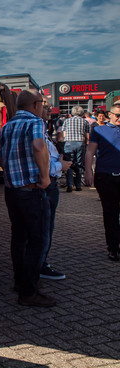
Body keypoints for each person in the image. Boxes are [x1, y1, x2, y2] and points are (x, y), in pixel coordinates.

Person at [0, 89, 54, 307]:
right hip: (31, 190)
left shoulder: (7, 126)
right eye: (42, 103)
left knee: (19, 237)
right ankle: (29, 291)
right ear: (34, 104)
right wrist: (45, 177)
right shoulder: (35, 122)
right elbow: (39, 146)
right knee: (39, 240)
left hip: (12, 191)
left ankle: (19, 281)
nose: (43, 107)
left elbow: (2, 157)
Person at [40, 97, 72, 280]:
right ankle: (40, 265)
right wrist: (61, 166)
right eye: (45, 106)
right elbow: (39, 163)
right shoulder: (36, 127)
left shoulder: (43, 126)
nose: (48, 109)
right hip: (45, 184)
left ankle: (36, 263)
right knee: (44, 228)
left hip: (45, 183)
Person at [84, 103, 120, 261]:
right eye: (117, 115)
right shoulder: (99, 130)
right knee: (110, 213)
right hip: (106, 176)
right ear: (109, 115)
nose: (119, 118)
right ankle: (113, 247)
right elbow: (90, 151)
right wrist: (88, 171)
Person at [62, 106, 90, 192]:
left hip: (69, 142)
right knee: (79, 164)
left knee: (68, 164)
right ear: (82, 113)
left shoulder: (66, 121)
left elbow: (64, 135)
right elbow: (87, 136)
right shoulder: (85, 122)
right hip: (80, 143)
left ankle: (70, 185)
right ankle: (78, 185)